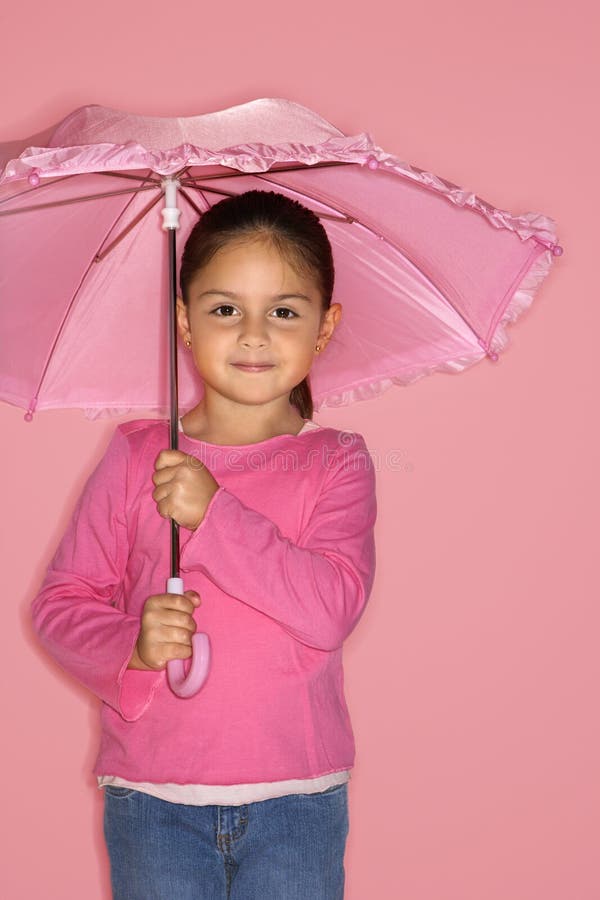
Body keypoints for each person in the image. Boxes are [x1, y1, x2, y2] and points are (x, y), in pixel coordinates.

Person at [31, 189, 377, 900]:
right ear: (186, 323)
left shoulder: (337, 461)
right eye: (225, 310)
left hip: (298, 799)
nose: (253, 335)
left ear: (324, 325)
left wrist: (213, 514)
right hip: (152, 801)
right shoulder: (137, 457)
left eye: (283, 311)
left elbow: (331, 608)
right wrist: (130, 643)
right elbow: (62, 605)